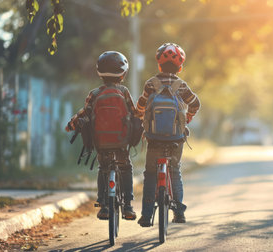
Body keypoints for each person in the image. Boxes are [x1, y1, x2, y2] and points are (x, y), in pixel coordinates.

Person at [65, 51, 137, 220]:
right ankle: (127, 205)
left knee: (103, 168)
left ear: (100, 73)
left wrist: (70, 125)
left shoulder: (95, 93)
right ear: (123, 74)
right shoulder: (124, 92)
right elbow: (134, 114)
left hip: (101, 142)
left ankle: (103, 205)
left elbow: (84, 114)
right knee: (126, 167)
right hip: (121, 142)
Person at [136, 43, 200, 226]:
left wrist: (140, 115)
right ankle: (179, 212)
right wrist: (187, 117)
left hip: (154, 138)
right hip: (175, 139)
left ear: (159, 65)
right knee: (174, 170)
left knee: (149, 175)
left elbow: (141, 105)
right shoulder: (181, 86)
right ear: (180, 67)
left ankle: (147, 215)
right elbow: (196, 104)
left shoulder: (151, 84)